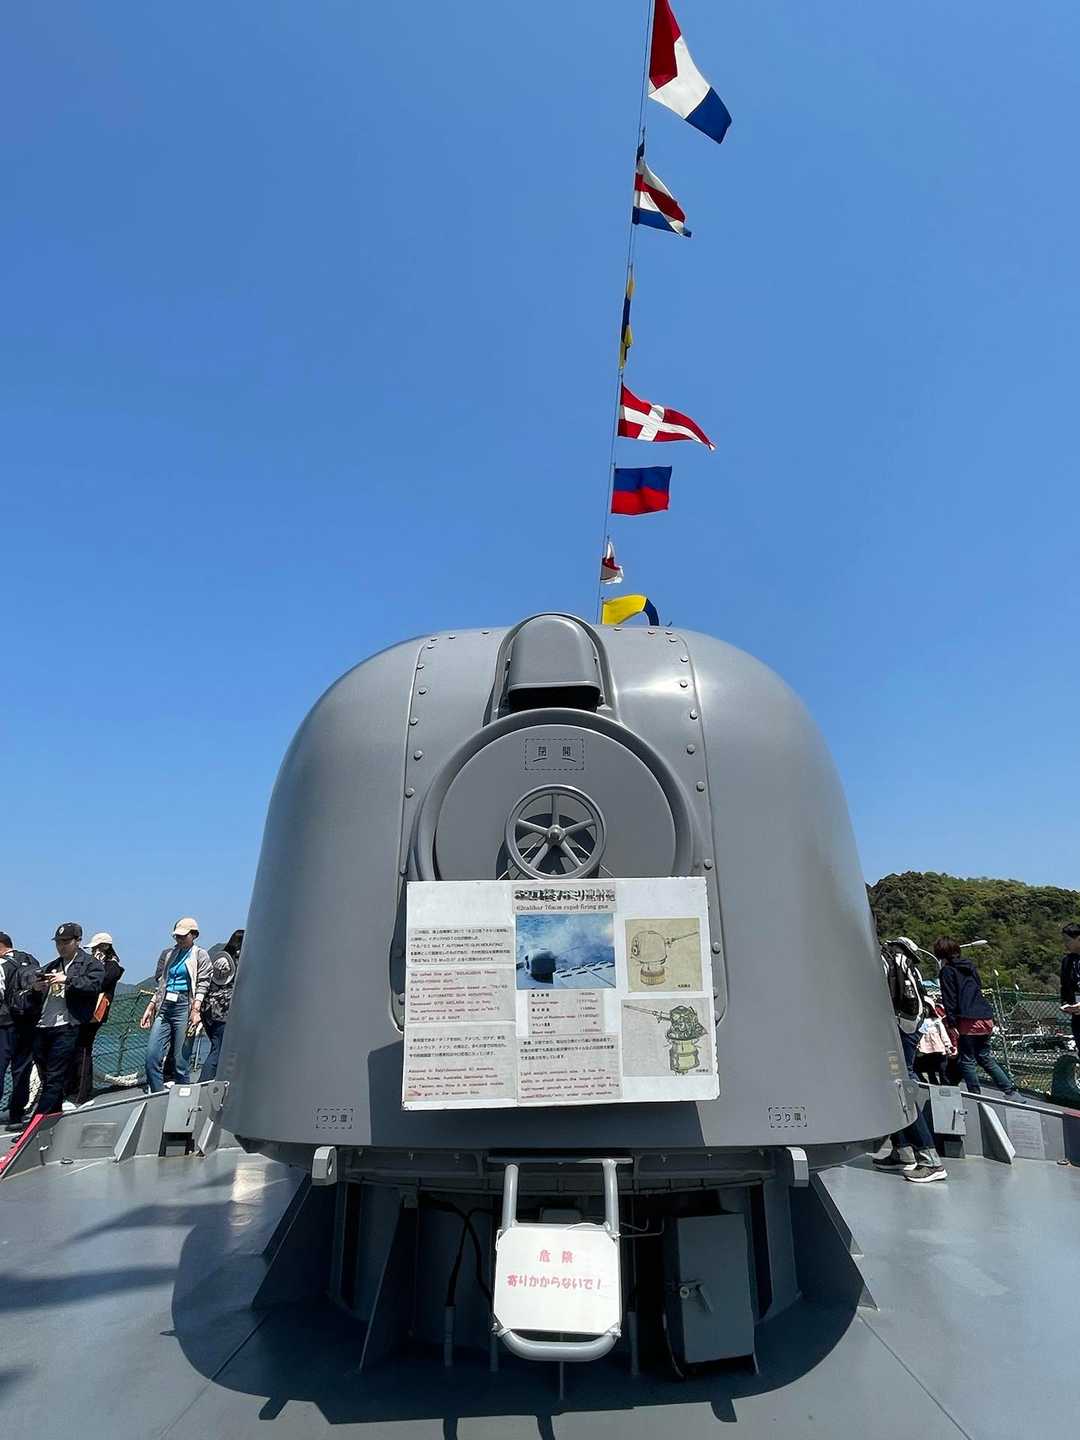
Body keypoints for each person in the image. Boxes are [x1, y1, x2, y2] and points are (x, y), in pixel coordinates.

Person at [873, 937, 948, 1183]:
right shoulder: (907, 965)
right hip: (909, 1029)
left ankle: (930, 1159)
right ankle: (903, 1152)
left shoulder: (883, 959)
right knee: (893, 1087)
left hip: (895, 1031)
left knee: (900, 1088)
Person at [29, 923, 105, 1118]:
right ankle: (54, 1112)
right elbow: (33, 991)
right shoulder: (52, 966)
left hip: (67, 1025)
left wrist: (67, 980)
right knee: (46, 1073)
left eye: (65, 942)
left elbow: (94, 985)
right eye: (58, 942)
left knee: (55, 1074)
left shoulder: (90, 964)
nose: (61, 946)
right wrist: (36, 988)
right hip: (43, 1025)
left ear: (77, 941)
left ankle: (39, 1118)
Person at [936, 937, 1020, 1099]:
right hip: (985, 1016)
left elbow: (949, 998)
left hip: (967, 1019)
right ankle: (1010, 1091)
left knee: (967, 1059)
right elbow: (978, 987)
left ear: (940, 954)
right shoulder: (970, 966)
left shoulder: (947, 971)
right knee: (984, 1056)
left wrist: (952, 1023)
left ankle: (975, 1095)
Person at [141, 918, 210, 1093]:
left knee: (181, 1062)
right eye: (177, 936)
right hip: (164, 1006)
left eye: (183, 936)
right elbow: (163, 983)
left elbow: (203, 982)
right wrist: (151, 1006)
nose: (179, 939)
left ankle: (184, 1098)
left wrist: (196, 1009)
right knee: (151, 1057)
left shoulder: (200, 955)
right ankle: (157, 1094)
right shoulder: (169, 954)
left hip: (184, 1006)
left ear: (194, 935)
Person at [66, 932, 126, 1106]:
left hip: (94, 1013)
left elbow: (100, 983)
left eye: (96, 948)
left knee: (83, 1049)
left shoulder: (112, 966)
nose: (93, 951)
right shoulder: (96, 965)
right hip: (83, 1011)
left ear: (105, 947)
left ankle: (81, 1094)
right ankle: (76, 1090)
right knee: (78, 1048)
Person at [1, 933, 43, 1129]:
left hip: (4, 1023)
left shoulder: (2, 964)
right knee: (22, 1070)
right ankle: (16, 1115)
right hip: (28, 1022)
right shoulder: (30, 959)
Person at [196, 928, 243, 1081]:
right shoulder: (240, 961)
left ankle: (215, 1079)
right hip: (224, 1012)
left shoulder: (220, 960)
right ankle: (204, 1083)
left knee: (217, 1046)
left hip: (208, 1009)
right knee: (219, 1050)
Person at [914, 992, 956, 1085]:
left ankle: (945, 1083)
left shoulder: (936, 1020)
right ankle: (933, 1084)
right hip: (926, 1048)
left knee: (942, 1067)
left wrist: (947, 1045)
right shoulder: (918, 1021)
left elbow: (943, 1033)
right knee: (929, 1068)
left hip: (938, 1047)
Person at [1059, 923, 1080, 1051]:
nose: (1065, 944)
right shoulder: (1067, 961)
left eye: (1068, 940)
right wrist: (1066, 1004)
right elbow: (1065, 986)